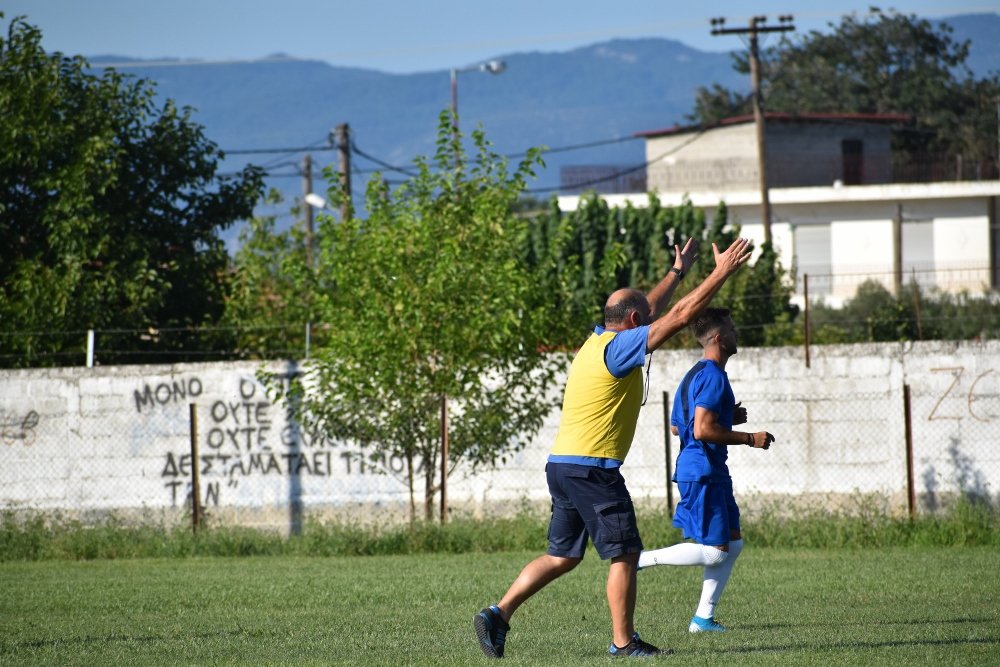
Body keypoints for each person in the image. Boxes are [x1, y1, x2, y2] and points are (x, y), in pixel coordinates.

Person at [474, 238, 754, 659]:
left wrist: (677, 273)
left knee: (562, 556)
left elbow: (650, 310)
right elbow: (676, 316)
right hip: (592, 469)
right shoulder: (622, 348)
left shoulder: (598, 341)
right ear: (635, 321)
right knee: (625, 552)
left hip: (563, 464)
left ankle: (498, 613)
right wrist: (721, 273)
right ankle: (623, 643)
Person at [637, 307, 775, 633]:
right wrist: (749, 438)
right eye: (731, 328)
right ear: (717, 338)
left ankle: (703, 619)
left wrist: (727, 415)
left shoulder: (693, 374)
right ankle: (640, 559)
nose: (735, 332)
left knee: (733, 543)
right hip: (702, 472)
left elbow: (678, 428)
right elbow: (700, 430)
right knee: (714, 553)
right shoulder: (714, 376)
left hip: (708, 470)